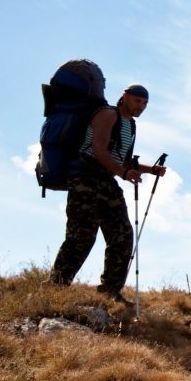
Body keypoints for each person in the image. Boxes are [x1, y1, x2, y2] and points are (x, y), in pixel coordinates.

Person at [48, 83, 166, 303]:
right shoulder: (107, 114)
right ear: (125, 97)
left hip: (106, 181)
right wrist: (123, 173)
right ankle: (55, 286)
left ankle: (110, 292)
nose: (141, 106)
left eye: (145, 103)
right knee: (82, 235)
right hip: (85, 177)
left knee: (122, 235)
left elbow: (121, 158)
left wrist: (151, 170)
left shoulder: (130, 126)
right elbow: (98, 149)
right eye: (137, 100)